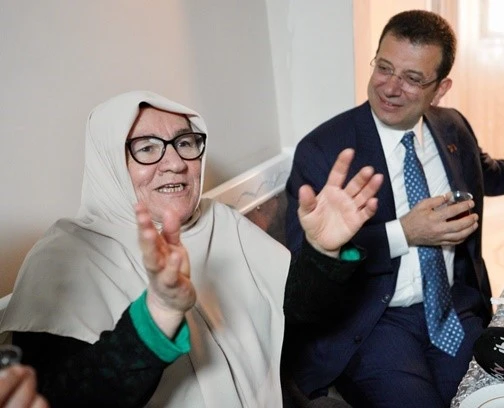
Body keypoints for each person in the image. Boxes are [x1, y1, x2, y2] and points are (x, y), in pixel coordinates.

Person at [0, 90, 384, 407]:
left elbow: (295, 312)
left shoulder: (219, 221)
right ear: (109, 162)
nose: (176, 163)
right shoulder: (63, 258)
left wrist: (322, 251)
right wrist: (158, 313)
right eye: (147, 148)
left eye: (185, 143)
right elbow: (65, 398)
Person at [284, 10, 504, 407]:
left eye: (412, 78)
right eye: (384, 68)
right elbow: (303, 271)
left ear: (440, 89)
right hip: (373, 323)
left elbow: (491, 175)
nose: (390, 87)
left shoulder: (452, 126)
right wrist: (404, 233)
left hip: (453, 308)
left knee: (495, 399)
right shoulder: (325, 149)